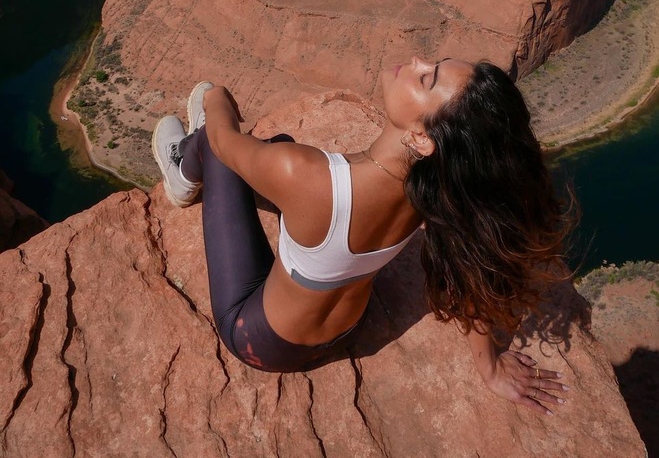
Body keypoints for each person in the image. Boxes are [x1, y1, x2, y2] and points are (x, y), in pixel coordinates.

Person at [152, 57, 571, 415]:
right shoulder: (439, 190)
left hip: (258, 337)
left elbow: (226, 141)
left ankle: (181, 170)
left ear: (422, 139)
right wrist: (490, 367)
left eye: (427, 78)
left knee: (217, 142)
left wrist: (215, 96)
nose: (418, 60)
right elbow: (474, 282)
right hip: (349, 327)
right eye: (434, 63)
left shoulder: (303, 175)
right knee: (274, 146)